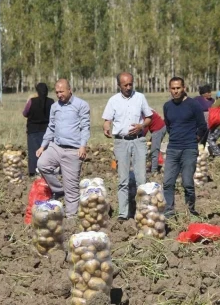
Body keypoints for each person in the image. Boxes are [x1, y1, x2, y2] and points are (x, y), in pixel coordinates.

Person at [36, 79, 90, 218]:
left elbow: (85, 127)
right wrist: (43, 146)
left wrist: (83, 146)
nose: (59, 95)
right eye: (57, 92)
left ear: (69, 90)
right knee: (42, 164)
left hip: (73, 150)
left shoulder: (81, 105)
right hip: (56, 146)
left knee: (71, 189)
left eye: (62, 92)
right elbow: (51, 127)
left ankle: (71, 218)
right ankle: (59, 190)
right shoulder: (55, 107)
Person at [102, 72, 152, 221]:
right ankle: (123, 214)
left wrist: (141, 125)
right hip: (121, 142)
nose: (129, 87)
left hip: (138, 141)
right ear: (119, 85)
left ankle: (143, 212)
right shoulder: (113, 100)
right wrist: (106, 126)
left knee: (141, 179)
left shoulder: (140, 97)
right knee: (122, 180)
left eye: (131, 84)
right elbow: (106, 120)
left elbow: (149, 118)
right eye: (125, 85)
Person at [163, 77, 207, 218]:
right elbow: (169, 126)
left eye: (178, 88)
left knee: (187, 182)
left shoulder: (193, 105)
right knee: (168, 182)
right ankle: (169, 211)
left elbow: (202, 126)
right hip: (173, 148)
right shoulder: (167, 106)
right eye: (173, 88)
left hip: (189, 148)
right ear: (170, 89)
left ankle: (190, 210)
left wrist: (195, 139)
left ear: (184, 88)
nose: (175, 91)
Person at [22, 83, 54, 176]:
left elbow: (25, 113)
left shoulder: (32, 101)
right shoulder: (51, 102)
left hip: (33, 130)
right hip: (47, 130)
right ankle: (47, 171)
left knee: (33, 152)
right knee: (47, 151)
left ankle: (33, 172)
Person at [143, 109, 166, 174]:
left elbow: (145, 128)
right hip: (158, 128)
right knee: (153, 147)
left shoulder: (144, 112)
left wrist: (140, 138)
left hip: (159, 129)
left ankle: (154, 171)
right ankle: (154, 165)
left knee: (154, 150)